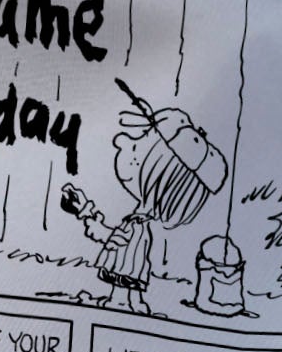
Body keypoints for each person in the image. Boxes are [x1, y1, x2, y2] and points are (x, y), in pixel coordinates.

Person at [58, 78, 226, 314]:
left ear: (158, 173)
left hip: (126, 267)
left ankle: (123, 302)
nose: (121, 140)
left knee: (123, 281)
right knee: (128, 280)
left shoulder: (137, 223)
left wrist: (88, 216)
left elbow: (113, 238)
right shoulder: (139, 222)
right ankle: (133, 302)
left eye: (139, 142)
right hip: (131, 266)